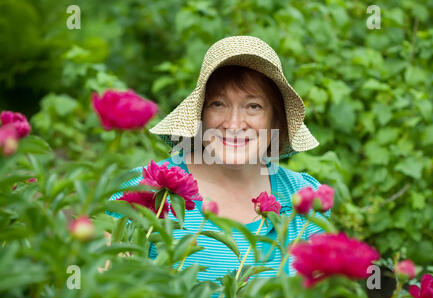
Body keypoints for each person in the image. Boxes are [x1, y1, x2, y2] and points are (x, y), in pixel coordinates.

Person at [105, 35, 331, 284]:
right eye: (218, 104)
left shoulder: (305, 197)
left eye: (253, 106)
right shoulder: (145, 188)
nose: (234, 124)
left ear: (276, 121)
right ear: (200, 117)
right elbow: (107, 287)